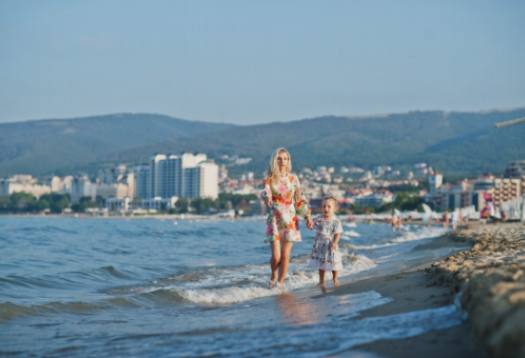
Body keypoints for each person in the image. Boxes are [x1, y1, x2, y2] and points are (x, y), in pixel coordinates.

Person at [261, 147, 313, 289]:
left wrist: (308, 216)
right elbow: (265, 194)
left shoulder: (293, 178)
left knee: (285, 256)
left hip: (290, 220)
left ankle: (280, 283)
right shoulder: (269, 179)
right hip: (275, 221)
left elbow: (299, 199)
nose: (282, 161)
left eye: (285, 158)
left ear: (288, 161)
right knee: (276, 256)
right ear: (274, 160)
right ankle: (273, 275)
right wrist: (267, 198)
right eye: (279, 158)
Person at [310, 196, 344, 288]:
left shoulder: (336, 221)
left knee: (334, 263)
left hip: (331, 244)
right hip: (320, 245)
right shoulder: (318, 218)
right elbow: (311, 226)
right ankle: (321, 281)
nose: (326, 208)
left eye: (329, 206)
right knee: (321, 264)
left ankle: (335, 278)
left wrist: (335, 242)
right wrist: (308, 219)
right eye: (324, 206)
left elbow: (338, 233)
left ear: (334, 209)